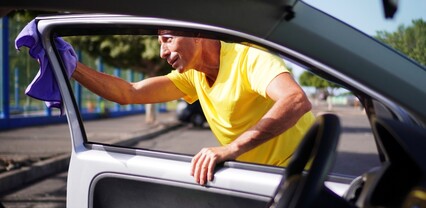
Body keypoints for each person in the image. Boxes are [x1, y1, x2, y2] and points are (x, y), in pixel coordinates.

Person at [70, 31, 316, 185]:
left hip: (299, 174)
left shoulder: (248, 58)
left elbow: (295, 100)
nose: (162, 52)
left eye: (168, 39)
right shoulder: (193, 75)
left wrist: (231, 149)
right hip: (254, 178)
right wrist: (73, 66)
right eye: (159, 42)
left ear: (197, 33)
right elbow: (129, 92)